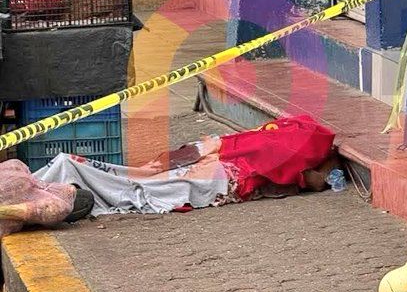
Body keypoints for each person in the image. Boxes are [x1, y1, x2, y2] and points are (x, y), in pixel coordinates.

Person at [34, 114, 343, 216]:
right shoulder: (283, 144)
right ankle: (52, 185)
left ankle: (53, 186)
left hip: (215, 174)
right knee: (140, 183)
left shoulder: (281, 143)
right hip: (213, 171)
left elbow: (313, 179)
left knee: (141, 183)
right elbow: (314, 179)